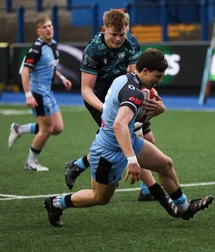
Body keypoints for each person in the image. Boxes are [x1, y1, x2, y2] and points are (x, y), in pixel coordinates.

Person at [44, 48, 214, 227]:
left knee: (165, 164)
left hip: (126, 141)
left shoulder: (126, 78)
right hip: (107, 152)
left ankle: (184, 207)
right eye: (158, 76)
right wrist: (132, 160)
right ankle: (56, 203)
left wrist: (160, 110)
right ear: (145, 71)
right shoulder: (135, 93)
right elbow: (119, 125)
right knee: (100, 198)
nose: (160, 80)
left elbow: (131, 116)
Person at [64, 9, 172, 211]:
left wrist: (156, 100)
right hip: (101, 100)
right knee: (127, 142)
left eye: (122, 34)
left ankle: (78, 164)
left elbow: (138, 75)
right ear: (103, 29)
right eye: (114, 35)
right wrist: (107, 109)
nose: (119, 39)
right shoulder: (93, 51)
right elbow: (86, 90)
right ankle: (153, 191)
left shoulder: (131, 43)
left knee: (148, 141)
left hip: (127, 95)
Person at [7, 16, 72, 171]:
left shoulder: (53, 44)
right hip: (38, 93)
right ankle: (30, 162)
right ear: (38, 30)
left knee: (57, 128)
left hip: (48, 92)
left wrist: (62, 78)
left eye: (50, 25)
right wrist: (28, 95)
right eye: (44, 27)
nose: (49, 29)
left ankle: (19, 129)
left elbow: (50, 67)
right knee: (46, 129)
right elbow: (25, 72)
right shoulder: (36, 49)